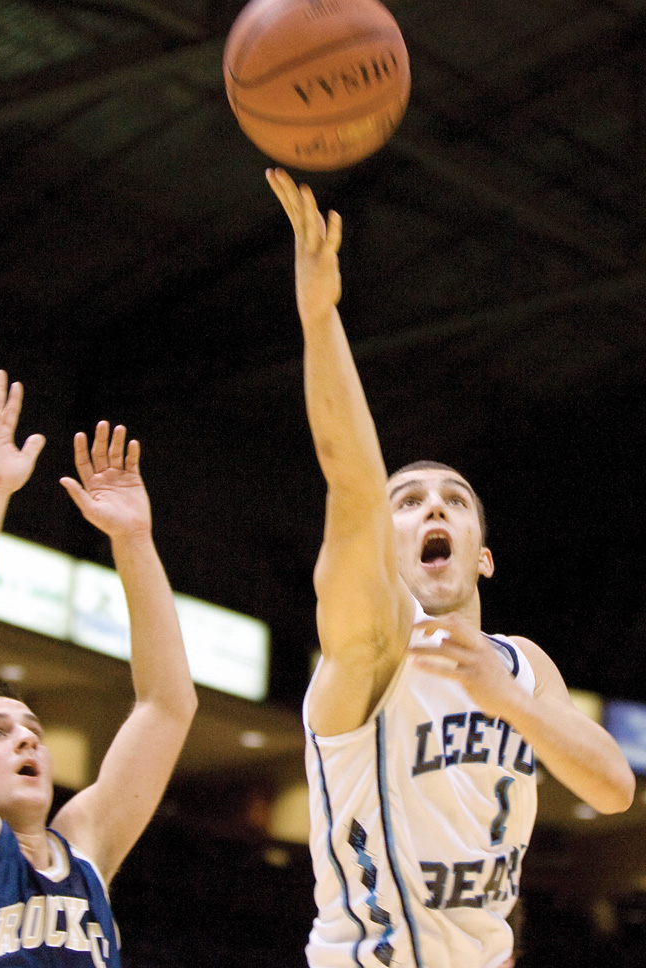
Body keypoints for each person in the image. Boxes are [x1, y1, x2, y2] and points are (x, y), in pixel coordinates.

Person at [265, 168, 635, 968]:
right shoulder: (367, 651)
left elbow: (613, 787)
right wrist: (320, 317)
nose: (433, 510)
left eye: (454, 501)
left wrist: (507, 697)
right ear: (384, 545)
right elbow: (351, 477)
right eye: (411, 503)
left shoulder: (522, 664)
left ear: (483, 554)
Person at [0, 369, 198, 967]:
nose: (26, 735)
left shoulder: (84, 847)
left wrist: (134, 540)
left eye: (31, 729)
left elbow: (168, 705)